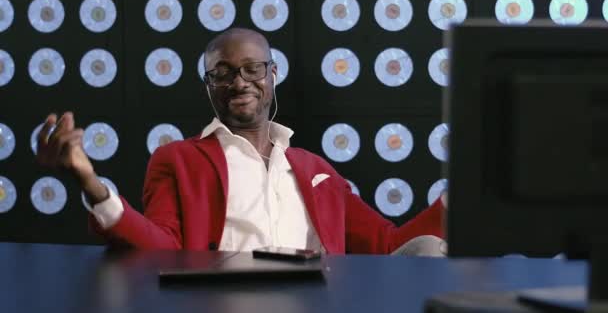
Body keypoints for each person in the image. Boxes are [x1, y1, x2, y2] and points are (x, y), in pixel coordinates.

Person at [36, 28, 445, 254]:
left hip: (320, 302)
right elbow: (162, 246)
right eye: (223, 72)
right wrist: (91, 183)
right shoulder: (176, 159)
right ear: (208, 85)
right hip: (223, 300)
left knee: (427, 249)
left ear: (273, 75)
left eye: (253, 69)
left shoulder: (315, 169)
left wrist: (460, 198)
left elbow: (387, 244)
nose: (239, 82)